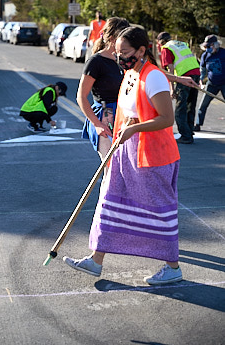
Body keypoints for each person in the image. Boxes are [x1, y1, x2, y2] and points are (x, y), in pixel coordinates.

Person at [64, 27, 182, 286]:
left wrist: (134, 128)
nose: (121, 58)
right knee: (109, 199)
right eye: (118, 53)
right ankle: (96, 260)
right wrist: (121, 129)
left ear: (142, 50)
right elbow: (129, 111)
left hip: (151, 153)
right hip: (125, 148)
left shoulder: (153, 77)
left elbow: (166, 118)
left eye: (126, 53)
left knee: (157, 207)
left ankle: (172, 266)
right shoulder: (130, 73)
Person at [77, 17, 130, 180]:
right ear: (112, 37)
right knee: (111, 171)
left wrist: (179, 79)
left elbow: (149, 71)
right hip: (105, 115)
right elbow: (81, 97)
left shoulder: (126, 59)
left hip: (125, 116)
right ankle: (106, 206)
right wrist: (97, 124)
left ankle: (120, 205)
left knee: (125, 170)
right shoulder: (96, 62)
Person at [157, 31, 200, 144]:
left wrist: (172, 89)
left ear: (161, 42)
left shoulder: (166, 48)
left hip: (184, 77)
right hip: (196, 73)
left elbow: (170, 70)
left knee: (180, 108)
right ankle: (189, 131)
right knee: (191, 105)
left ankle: (185, 136)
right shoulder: (181, 44)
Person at [194, 35, 225, 131]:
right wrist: (201, 79)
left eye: (209, 46)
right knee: (203, 105)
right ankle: (198, 124)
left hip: (224, 83)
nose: (207, 49)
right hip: (211, 84)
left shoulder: (223, 53)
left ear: (215, 45)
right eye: (206, 47)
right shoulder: (205, 55)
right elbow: (202, 69)